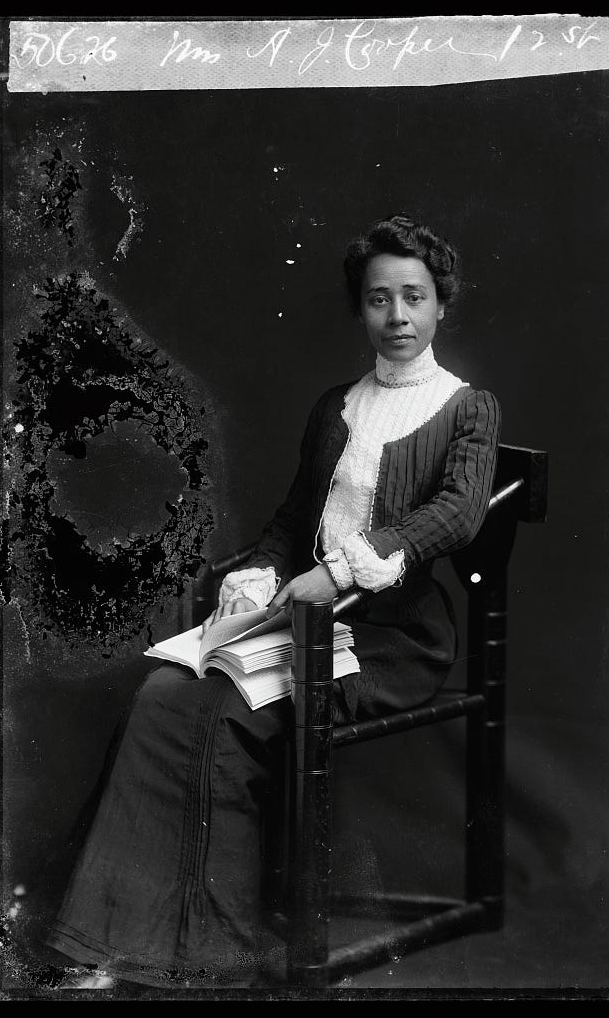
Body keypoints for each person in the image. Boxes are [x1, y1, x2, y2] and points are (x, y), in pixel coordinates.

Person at [47, 214, 501, 989]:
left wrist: (347, 573)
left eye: (414, 298)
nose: (396, 318)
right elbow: (294, 520)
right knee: (162, 695)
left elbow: (458, 512)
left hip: (392, 640)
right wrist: (257, 574)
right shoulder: (337, 406)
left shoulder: (467, 408)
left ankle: (208, 946)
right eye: (377, 300)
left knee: (225, 715)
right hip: (304, 621)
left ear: (440, 306)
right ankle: (114, 935)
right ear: (358, 308)